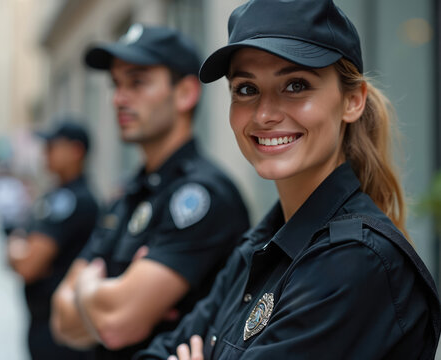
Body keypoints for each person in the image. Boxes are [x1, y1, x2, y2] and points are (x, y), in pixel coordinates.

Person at [134, 1, 441, 359]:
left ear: (352, 101)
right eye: (246, 89)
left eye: (295, 85)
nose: (264, 115)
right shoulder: (257, 247)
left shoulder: (354, 261)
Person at [50, 24, 251, 360]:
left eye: (137, 82)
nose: (119, 98)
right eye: (116, 84)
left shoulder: (204, 195)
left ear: (186, 93)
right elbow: (59, 319)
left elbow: (115, 324)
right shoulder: (127, 193)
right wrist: (106, 300)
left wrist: (86, 286)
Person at [7, 120, 99, 360]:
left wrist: (18, 247)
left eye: (52, 146)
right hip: (43, 322)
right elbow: (21, 247)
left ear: (76, 151)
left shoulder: (73, 200)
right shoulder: (54, 196)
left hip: (59, 331)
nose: (45, 152)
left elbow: (28, 266)